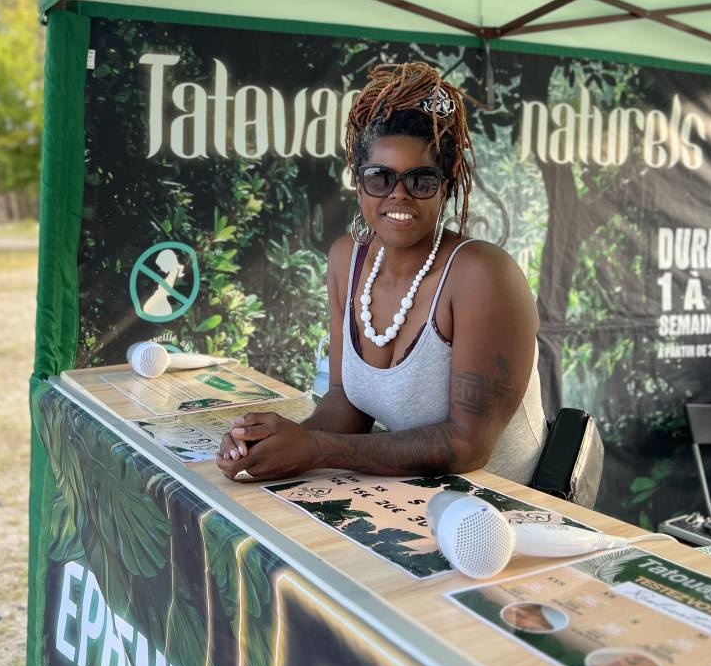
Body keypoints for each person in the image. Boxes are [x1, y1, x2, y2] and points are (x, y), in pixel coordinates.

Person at [216, 61, 547, 483]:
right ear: (359, 185)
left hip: (508, 505)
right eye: (380, 178)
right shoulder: (346, 260)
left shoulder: (482, 275)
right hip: (413, 497)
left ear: (445, 186)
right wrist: (273, 442)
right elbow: (346, 402)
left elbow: (467, 446)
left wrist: (316, 448)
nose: (399, 195)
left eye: (421, 181)